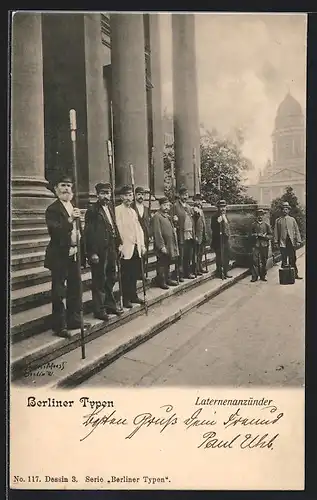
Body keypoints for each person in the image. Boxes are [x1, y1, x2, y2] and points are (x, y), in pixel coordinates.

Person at [44, 173, 89, 338]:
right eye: (62, 185)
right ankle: (59, 325)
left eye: (69, 186)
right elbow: (54, 231)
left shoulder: (73, 206)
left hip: (75, 253)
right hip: (59, 255)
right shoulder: (53, 209)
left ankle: (74, 319)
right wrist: (70, 220)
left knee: (75, 288)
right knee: (59, 291)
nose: (66, 189)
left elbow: (79, 231)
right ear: (56, 189)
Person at [84, 182, 123, 320]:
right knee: (99, 279)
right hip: (99, 251)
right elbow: (88, 233)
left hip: (111, 248)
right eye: (103, 193)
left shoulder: (110, 208)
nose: (106, 196)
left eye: (108, 193)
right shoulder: (93, 211)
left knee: (111, 276)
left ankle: (110, 305)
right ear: (97, 195)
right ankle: (99, 310)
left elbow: (114, 227)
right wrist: (91, 253)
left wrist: (120, 243)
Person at [115, 185, 146, 308]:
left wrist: (142, 245)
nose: (129, 198)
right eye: (126, 195)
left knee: (134, 273)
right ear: (122, 197)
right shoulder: (118, 210)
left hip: (135, 247)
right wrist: (119, 246)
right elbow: (118, 230)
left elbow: (139, 229)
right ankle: (125, 298)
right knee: (125, 274)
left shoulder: (133, 211)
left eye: (130, 195)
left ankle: (133, 295)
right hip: (126, 247)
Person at [151, 197, 179, 290]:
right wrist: (161, 246)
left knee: (167, 262)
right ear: (160, 205)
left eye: (168, 205)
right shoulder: (157, 216)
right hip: (162, 245)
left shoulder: (168, 216)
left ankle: (168, 279)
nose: (167, 207)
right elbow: (157, 232)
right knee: (161, 263)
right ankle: (161, 280)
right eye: (164, 205)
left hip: (169, 244)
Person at [171, 186, 195, 280]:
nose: (185, 197)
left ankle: (187, 272)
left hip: (189, 234)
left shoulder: (189, 207)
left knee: (188, 255)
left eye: (186, 195)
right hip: (180, 235)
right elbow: (171, 219)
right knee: (180, 255)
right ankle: (179, 274)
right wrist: (174, 220)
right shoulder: (175, 206)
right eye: (183, 195)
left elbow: (192, 218)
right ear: (179, 196)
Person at [274, 201, 302, 279]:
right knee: (284, 259)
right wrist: (276, 241)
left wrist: (298, 240)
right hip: (283, 242)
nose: (284, 211)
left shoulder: (292, 219)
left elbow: (296, 230)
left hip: (291, 242)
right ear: (281, 210)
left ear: (288, 210)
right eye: (283, 209)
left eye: (286, 209)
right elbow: (276, 232)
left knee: (292, 258)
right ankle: (284, 277)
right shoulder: (278, 220)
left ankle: (295, 274)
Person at [132, 186, 151, 278]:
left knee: (144, 254)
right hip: (134, 235)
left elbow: (148, 222)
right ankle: (135, 272)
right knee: (136, 254)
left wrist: (149, 234)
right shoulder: (131, 207)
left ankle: (141, 272)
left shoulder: (147, 209)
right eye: (139, 194)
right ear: (135, 195)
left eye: (142, 195)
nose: (141, 197)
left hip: (145, 235)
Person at [210, 199, 233, 279]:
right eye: (221, 207)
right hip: (218, 240)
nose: (223, 209)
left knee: (226, 255)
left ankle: (225, 271)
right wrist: (217, 222)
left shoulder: (225, 216)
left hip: (225, 239)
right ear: (218, 208)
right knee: (220, 257)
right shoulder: (215, 216)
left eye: (224, 207)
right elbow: (213, 228)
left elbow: (227, 226)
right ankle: (220, 272)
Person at [250, 208, 272, 282]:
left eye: (261, 215)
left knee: (264, 260)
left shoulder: (266, 225)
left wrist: (264, 236)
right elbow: (250, 235)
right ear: (257, 216)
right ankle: (254, 276)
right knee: (254, 260)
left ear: (263, 216)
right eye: (258, 215)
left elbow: (271, 236)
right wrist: (255, 235)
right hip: (256, 245)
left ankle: (263, 276)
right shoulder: (253, 225)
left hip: (264, 245)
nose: (260, 217)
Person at [192, 194, 208, 275]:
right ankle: (196, 269)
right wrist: (195, 236)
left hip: (202, 235)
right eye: (198, 200)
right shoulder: (194, 211)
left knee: (200, 252)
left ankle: (200, 267)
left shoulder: (201, 210)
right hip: (197, 235)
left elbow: (203, 223)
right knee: (196, 253)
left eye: (200, 200)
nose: (200, 202)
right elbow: (193, 225)